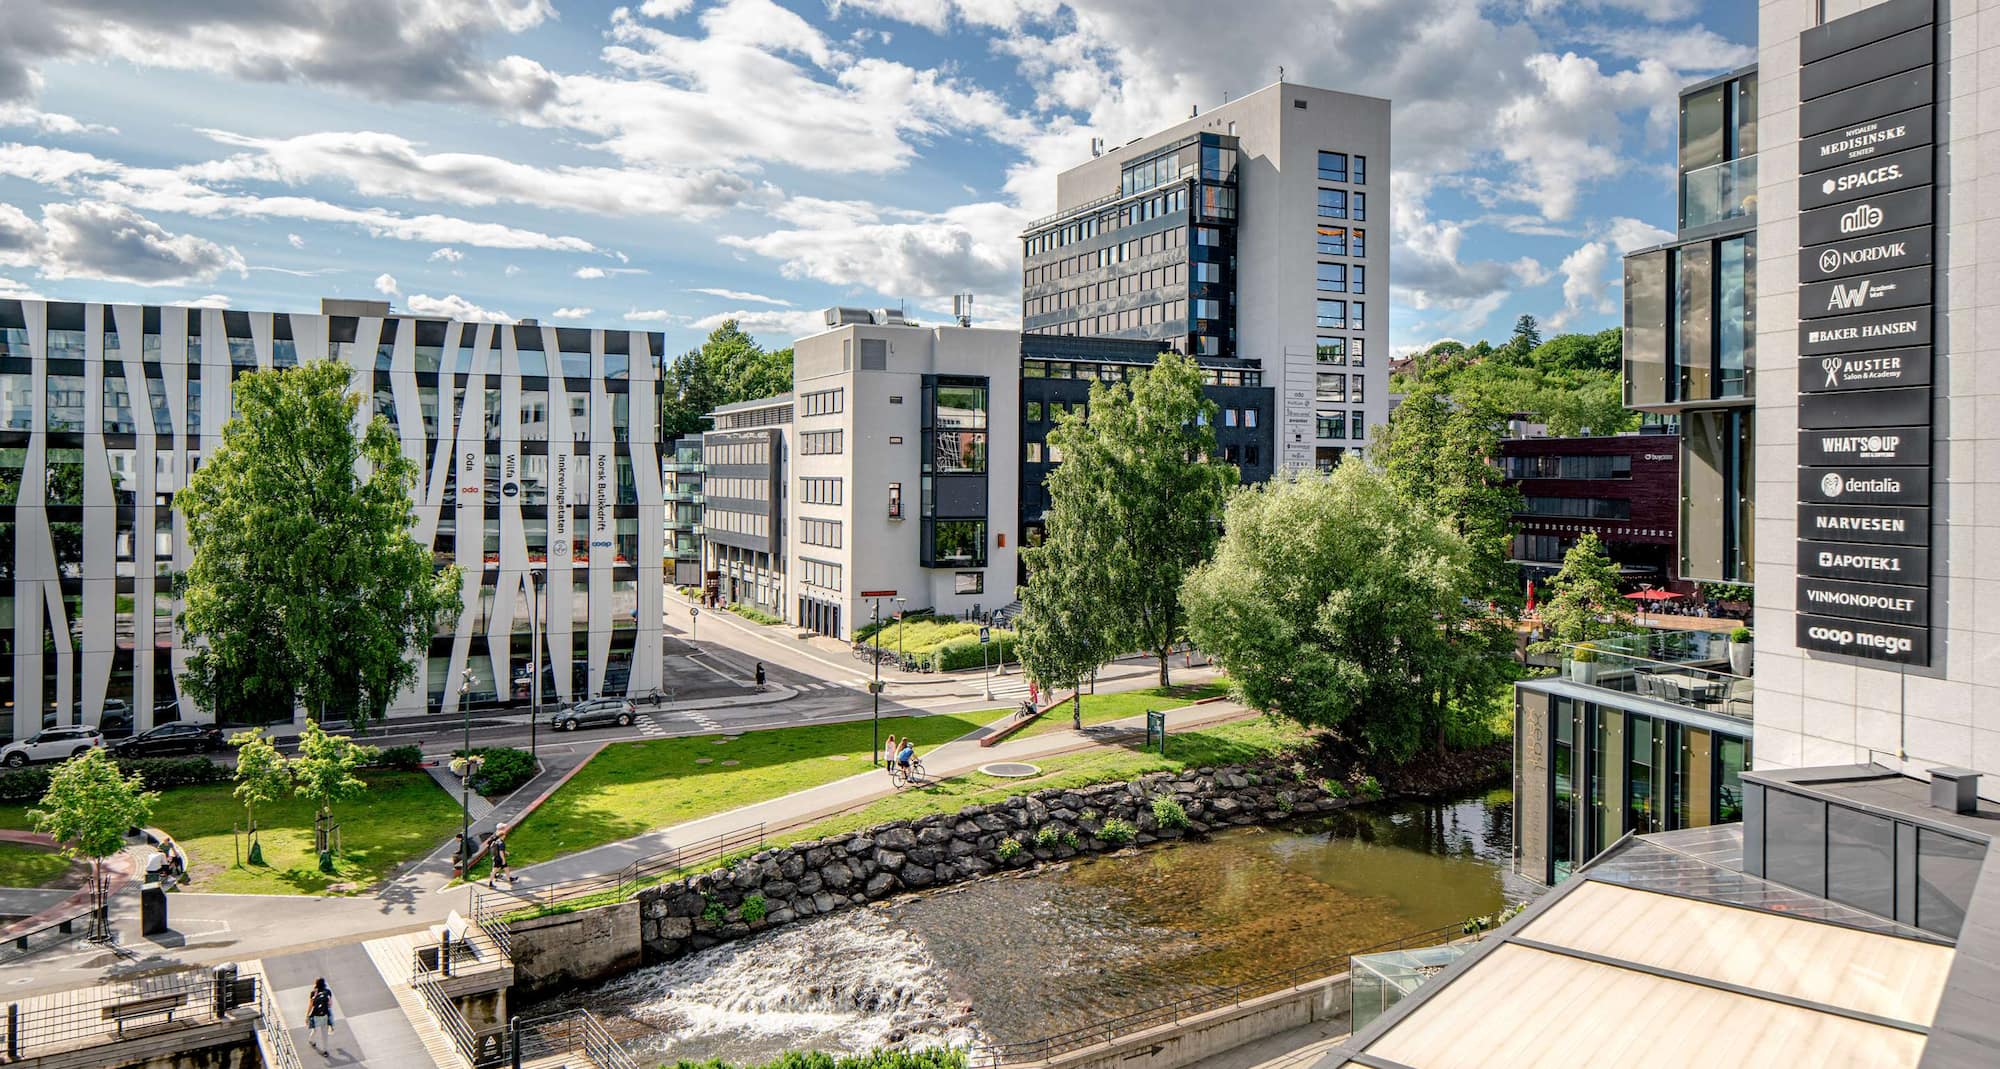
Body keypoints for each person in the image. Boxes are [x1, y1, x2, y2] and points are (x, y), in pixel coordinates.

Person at [305, 978, 335, 1055]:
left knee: (314, 1030)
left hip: (315, 1015)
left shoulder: (313, 993)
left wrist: (307, 1016)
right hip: (324, 1015)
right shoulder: (328, 992)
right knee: (324, 1033)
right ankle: (325, 1051)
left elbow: (310, 1005)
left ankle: (311, 1040)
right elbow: (330, 1004)